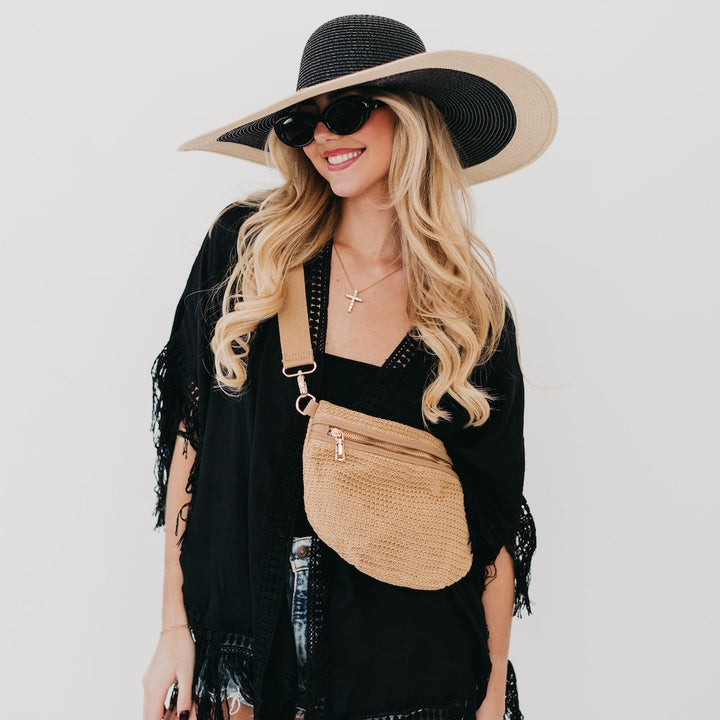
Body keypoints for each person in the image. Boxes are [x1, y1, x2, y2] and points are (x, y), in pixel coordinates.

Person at [142, 14, 557, 720]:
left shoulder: (470, 318)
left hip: (412, 686)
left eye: (347, 112)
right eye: (302, 123)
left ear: (411, 117)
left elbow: (487, 530)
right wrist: (173, 628)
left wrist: (490, 701)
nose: (324, 137)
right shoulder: (246, 252)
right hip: (245, 668)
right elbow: (192, 435)